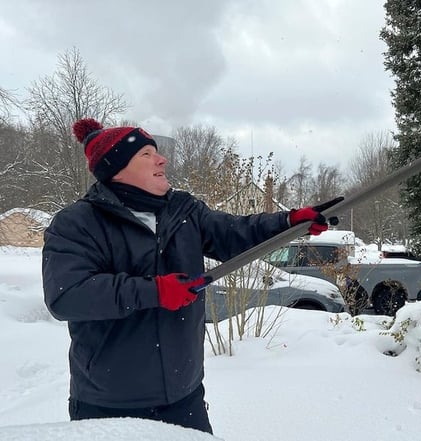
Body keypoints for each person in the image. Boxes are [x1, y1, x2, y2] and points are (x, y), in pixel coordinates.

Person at [42, 118, 340, 434]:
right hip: (109, 404)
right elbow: (68, 295)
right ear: (116, 167)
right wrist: (155, 291)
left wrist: (288, 222)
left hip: (184, 399)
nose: (162, 159)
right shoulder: (78, 222)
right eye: (146, 154)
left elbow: (233, 234)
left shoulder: (183, 210)